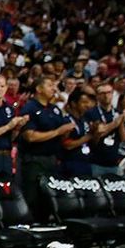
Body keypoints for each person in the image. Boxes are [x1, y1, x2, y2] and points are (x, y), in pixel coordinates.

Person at [18, 76, 74, 207]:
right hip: (34, 160)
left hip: (53, 158)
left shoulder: (54, 109)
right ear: (39, 89)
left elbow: (63, 133)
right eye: (49, 85)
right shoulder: (29, 108)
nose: (53, 88)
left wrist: (66, 131)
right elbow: (30, 136)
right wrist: (58, 132)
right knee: (33, 196)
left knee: (50, 196)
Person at [86, 82, 125, 178]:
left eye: (109, 92)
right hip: (96, 161)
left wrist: (120, 123)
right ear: (97, 96)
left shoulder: (118, 113)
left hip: (113, 161)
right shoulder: (91, 113)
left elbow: (123, 138)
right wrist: (115, 124)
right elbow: (96, 135)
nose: (106, 96)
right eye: (103, 93)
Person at [60, 87, 97, 177]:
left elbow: (91, 142)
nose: (87, 105)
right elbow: (67, 145)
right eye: (84, 102)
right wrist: (89, 136)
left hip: (86, 161)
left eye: (88, 102)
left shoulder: (85, 120)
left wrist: (96, 133)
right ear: (73, 104)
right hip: (70, 164)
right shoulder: (66, 120)